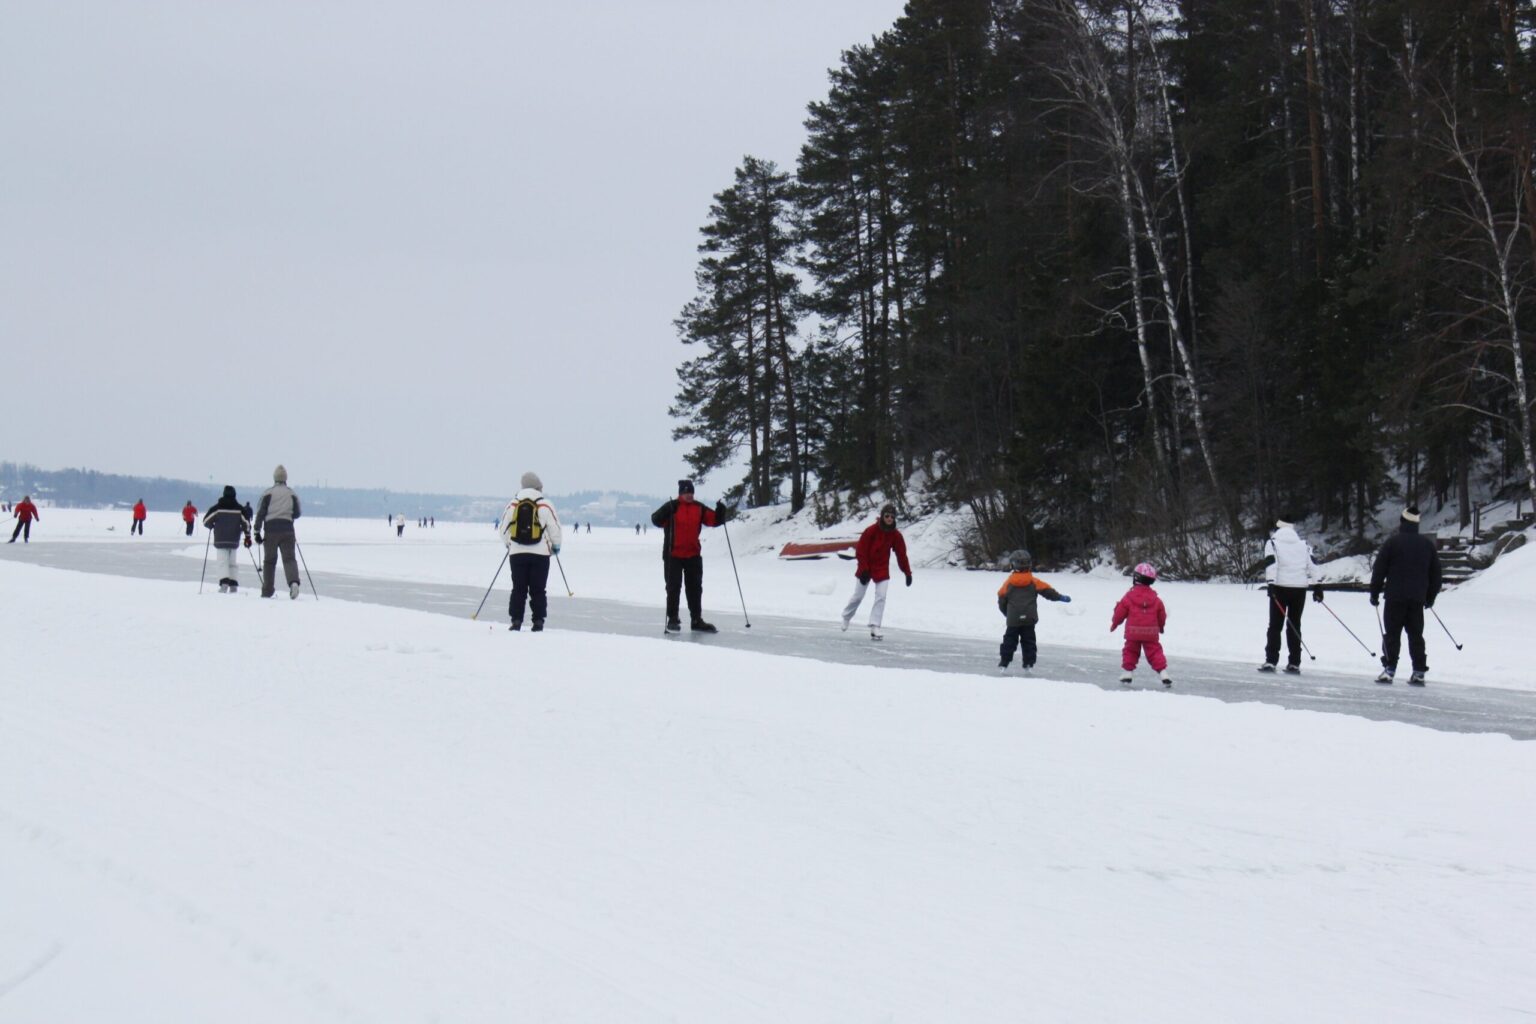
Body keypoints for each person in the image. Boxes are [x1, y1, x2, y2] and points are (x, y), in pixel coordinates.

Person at [1370, 505, 1442, 686]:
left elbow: (1379, 570)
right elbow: (1436, 575)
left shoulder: (1392, 543)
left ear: (1402, 522)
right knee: (1416, 635)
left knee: (1392, 634)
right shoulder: (1427, 545)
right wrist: (1430, 597)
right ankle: (1418, 671)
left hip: (1395, 597)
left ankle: (1389, 669)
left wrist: (1374, 592)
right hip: (1417, 598)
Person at [651, 479, 727, 633]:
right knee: (673, 588)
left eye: (691, 492)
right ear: (680, 494)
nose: (689, 495)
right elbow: (656, 520)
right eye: (686, 493)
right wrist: (666, 511)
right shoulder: (672, 507)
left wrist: (720, 512)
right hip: (673, 555)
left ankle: (696, 619)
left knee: (695, 588)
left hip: (693, 554)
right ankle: (672, 618)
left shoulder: (698, 508)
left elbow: (714, 521)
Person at [496, 472, 562, 631]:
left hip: (517, 554)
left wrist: (509, 545)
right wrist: (556, 547)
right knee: (538, 589)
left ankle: (516, 620)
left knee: (518, 588)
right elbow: (555, 529)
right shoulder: (546, 504)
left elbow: (503, 529)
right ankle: (538, 621)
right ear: (538, 487)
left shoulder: (513, 504)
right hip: (540, 555)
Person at [1259, 516, 1322, 674]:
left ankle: (1271, 660)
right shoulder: (1303, 545)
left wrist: (1271, 584)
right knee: (1294, 625)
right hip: (1299, 590)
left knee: (1275, 625)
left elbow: (1271, 563)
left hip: (1280, 588)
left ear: (1278, 529)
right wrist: (1318, 586)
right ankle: (1294, 662)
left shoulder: (1272, 543)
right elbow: (1313, 565)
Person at [840, 503, 912, 641]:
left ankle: (875, 626)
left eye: (892, 516)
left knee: (881, 596)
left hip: (882, 569)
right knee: (858, 596)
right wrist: (864, 570)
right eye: (887, 516)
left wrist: (907, 573)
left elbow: (902, 555)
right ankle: (846, 617)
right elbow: (861, 551)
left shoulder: (896, 535)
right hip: (866, 567)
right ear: (882, 516)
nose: (889, 518)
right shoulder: (871, 531)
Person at [996, 549, 1071, 674]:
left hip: (1013, 618)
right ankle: (1028, 663)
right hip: (1029, 618)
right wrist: (1060, 597)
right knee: (1029, 641)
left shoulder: (1008, 583)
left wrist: (1007, 614)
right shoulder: (1033, 581)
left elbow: (1001, 600)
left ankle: (1004, 662)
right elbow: (1048, 592)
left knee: (1009, 640)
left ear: (1013, 565)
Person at [1111, 562, 1171, 686]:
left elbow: (1120, 612)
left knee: (1130, 650)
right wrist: (1161, 626)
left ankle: (1127, 672)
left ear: (1136, 578)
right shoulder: (1156, 599)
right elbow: (1162, 615)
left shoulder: (1129, 596)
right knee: (1155, 652)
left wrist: (1115, 623)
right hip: (1151, 632)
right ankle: (1163, 672)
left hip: (1133, 632)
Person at [255, 465, 302, 599]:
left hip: (270, 531)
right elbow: (297, 512)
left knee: (269, 561)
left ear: (274, 478)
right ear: (285, 478)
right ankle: (293, 582)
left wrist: (256, 531)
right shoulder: (291, 493)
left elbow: (260, 513)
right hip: (287, 530)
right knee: (289, 559)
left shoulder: (268, 493)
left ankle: (268, 590)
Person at [202, 486, 252, 593]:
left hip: (220, 538)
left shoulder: (217, 508)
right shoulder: (239, 508)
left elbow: (206, 521)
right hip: (234, 539)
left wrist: (212, 525)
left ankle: (224, 583)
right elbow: (247, 523)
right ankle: (233, 584)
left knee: (222, 562)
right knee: (232, 562)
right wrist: (247, 536)